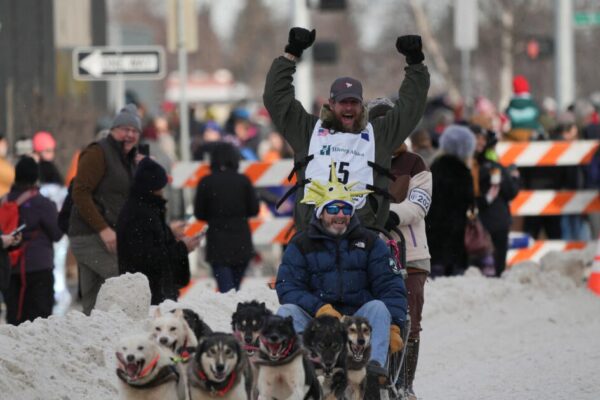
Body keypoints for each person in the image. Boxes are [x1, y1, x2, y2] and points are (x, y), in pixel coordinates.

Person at [263, 27, 430, 232]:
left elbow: (410, 108)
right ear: (331, 104)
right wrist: (290, 55)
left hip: (363, 235)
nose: (349, 107)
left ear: (362, 106)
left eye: (354, 102)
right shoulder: (308, 131)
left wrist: (415, 62)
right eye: (343, 102)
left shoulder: (379, 135)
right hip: (314, 235)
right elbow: (277, 100)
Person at [276, 167, 407, 399]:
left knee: (379, 307)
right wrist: (320, 309)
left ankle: (374, 371)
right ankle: (301, 370)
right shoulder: (301, 244)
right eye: (333, 208)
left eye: (346, 209)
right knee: (286, 311)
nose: (340, 214)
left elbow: (390, 285)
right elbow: (287, 286)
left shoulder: (369, 242)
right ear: (320, 212)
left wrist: (394, 325)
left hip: (358, 320)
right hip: (319, 322)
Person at [368, 98, 430, 400]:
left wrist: (389, 214)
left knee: (409, 319)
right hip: (371, 251)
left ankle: (405, 384)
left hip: (411, 252)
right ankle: (379, 380)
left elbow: (420, 203)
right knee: (378, 316)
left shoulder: (414, 163)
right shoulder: (360, 159)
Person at [69, 104, 142, 314]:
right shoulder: (98, 152)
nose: (129, 135)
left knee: (94, 298)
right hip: (90, 234)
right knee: (123, 283)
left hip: (105, 235)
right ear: (113, 130)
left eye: (134, 131)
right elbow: (80, 193)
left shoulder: (127, 159)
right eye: (124, 129)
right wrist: (103, 229)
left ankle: (93, 339)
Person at [116, 157, 199, 305]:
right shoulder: (141, 213)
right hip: (149, 293)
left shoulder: (142, 208)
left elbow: (151, 244)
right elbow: (150, 257)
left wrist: (170, 233)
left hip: (150, 289)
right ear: (152, 188)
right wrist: (182, 248)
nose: (162, 191)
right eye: (160, 187)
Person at [193, 142, 259, 293]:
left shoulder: (206, 182)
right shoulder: (243, 181)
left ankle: (230, 314)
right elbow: (254, 210)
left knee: (226, 291)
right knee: (235, 288)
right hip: (241, 241)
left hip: (218, 243)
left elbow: (199, 213)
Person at [5, 156, 63, 324]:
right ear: (35, 176)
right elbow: (57, 234)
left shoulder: (4, 201)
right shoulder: (42, 203)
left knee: (14, 316)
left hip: (9, 268)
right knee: (39, 319)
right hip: (38, 267)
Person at [426, 125, 476, 277]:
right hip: (456, 230)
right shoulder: (464, 172)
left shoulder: (434, 167)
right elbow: (469, 200)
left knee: (435, 268)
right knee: (453, 271)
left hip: (432, 228)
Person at [472, 126, 520, 277]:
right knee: (499, 263)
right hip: (498, 219)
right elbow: (511, 191)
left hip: (476, 221)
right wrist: (515, 177)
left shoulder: (471, 166)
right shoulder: (496, 168)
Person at [505, 75, 543, 141]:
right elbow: (538, 115)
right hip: (531, 133)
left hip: (514, 133)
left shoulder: (511, 105)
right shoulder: (532, 104)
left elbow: (507, 116)